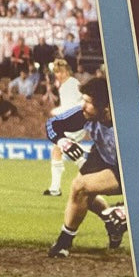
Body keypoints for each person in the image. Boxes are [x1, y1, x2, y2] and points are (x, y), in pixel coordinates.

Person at [45, 76, 127, 258]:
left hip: (130, 169)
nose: (83, 106)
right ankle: (109, 221)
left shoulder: (130, 127)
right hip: (102, 155)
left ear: (106, 107)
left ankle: (63, 243)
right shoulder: (84, 114)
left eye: (88, 102)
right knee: (80, 191)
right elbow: (53, 124)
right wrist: (62, 140)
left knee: (80, 186)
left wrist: (128, 210)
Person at [43, 59, 83, 196]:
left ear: (66, 71)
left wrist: (57, 111)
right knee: (63, 150)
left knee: (59, 148)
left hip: (75, 122)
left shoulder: (70, 85)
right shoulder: (67, 85)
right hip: (74, 122)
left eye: (59, 72)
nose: (58, 75)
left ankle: (55, 188)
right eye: (56, 73)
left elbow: (73, 106)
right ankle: (55, 188)